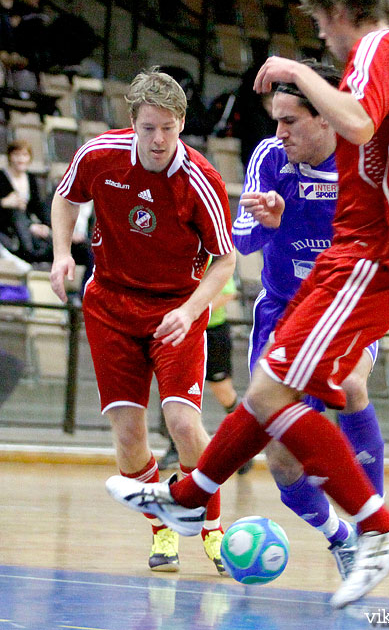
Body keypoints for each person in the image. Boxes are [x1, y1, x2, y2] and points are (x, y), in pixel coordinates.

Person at [106, 0, 389, 607]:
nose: (320, 37)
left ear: (341, 11)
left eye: (319, 24)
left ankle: (376, 528)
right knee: (264, 395)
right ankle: (189, 498)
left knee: (287, 392)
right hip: (360, 260)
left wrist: (293, 70)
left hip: (361, 261)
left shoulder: (375, 53)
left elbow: (358, 120)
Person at [232, 58, 389, 579]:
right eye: (276, 119)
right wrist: (268, 224)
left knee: (351, 381)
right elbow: (242, 241)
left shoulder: (371, 162)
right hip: (283, 311)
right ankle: (339, 538)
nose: (279, 131)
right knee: (283, 462)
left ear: (327, 119)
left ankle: (373, 531)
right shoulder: (270, 158)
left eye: (290, 120)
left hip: (346, 305)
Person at [50, 66, 236, 575]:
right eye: (149, 127)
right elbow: (65, 197)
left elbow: (225, 259)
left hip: (176, 309)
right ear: (132, 122)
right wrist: (61, 252)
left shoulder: (202, 180)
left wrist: (191, 310)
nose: (159, 140)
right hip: (109, 304)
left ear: (181, 125)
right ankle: (164, 531)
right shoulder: (99, 155)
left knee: (182, 423)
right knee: (129, 435)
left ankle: (212, 527)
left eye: (169, 129)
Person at [158, 267, 253, 474]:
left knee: (223, 391)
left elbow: (228, 292)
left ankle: (242, 446)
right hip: (184, 332)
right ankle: (176, 448)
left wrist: (195, 310)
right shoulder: (180, 255)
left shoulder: (216, 256)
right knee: (177, 391)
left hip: (213, 331)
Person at [0, 141, 92, 285]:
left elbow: (38, 209)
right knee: (16, 212)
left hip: (27, 227)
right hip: (7, 227)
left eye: (24, 155)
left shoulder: (31, 179)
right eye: (16, 155)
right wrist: (4, 203)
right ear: (10, 157)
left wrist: (42, 226)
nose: (20, 159)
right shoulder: (1, 177)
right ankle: (32, 255)